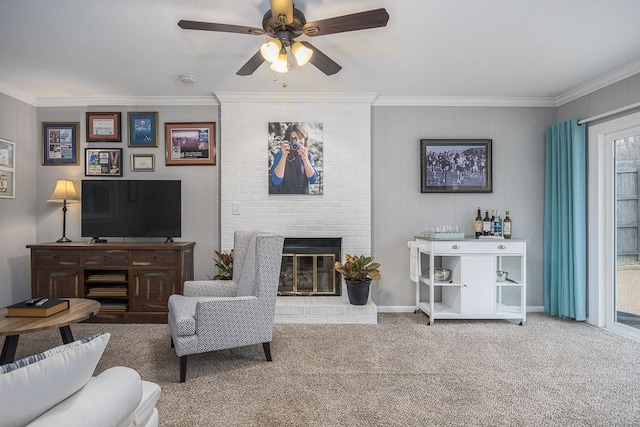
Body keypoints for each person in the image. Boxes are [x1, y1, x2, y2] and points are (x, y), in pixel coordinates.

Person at [270, 123, 318, 194]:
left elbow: (313, 180)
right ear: (288, 140)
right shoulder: (281, 154)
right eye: (294, 139)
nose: (297, 141)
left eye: (300, 137)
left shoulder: (308, 156)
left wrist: (305, 159)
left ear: (305, 140)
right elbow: (276, 180)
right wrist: (284, 156)